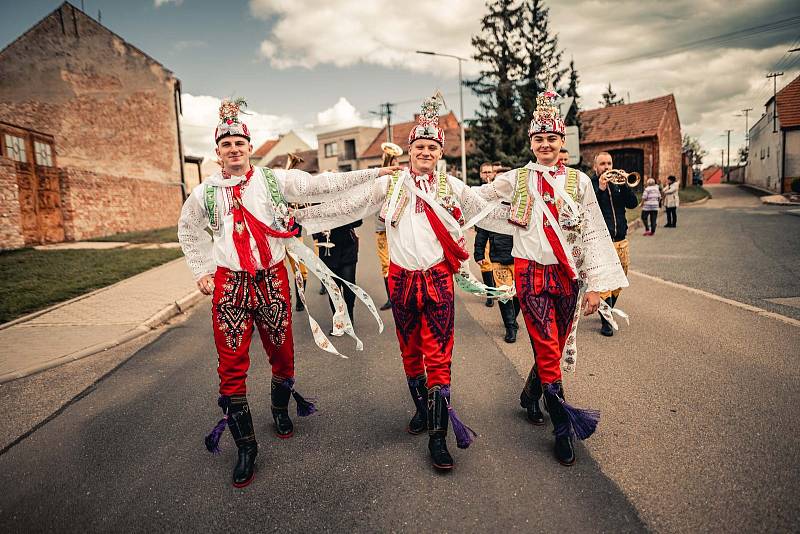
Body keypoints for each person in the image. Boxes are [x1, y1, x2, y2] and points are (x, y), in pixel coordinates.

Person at [177, 98, 396, 488]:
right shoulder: (204, 194)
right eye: (226, 145)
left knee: (282, 354)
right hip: (231, 285)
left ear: (248, 147)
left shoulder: (272, 180)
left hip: (272, 279)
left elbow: (322, 185)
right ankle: (246, 447)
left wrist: (374, 172)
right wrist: (203, 270)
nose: (233, 150)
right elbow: (188, 229)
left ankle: (280, 408)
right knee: (230, 367)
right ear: (217, 153)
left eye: (239, 143)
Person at [296, 94, 508, 471]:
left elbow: (487, 207)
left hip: (439, 281)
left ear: (440, 152)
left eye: (432, 147)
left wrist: (530, 204)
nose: (425, 152)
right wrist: (304, 216)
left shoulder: (453, 187)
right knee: (410, 352)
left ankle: (438, 438)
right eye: (419, 146)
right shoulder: (390, 186)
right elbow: (348, 204)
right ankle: (422, 411)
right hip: (402, 282)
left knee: (439, 357)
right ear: (410, 151)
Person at [474, 88, 628, 466]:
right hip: (530, 274)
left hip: (568, 276)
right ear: (532, 142)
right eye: (539, 138)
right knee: (545, 346)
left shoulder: (580, 182)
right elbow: (477, 197)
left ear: (562, 142)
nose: (546, 144)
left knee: (554, 347)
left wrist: (596, 287)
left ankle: (530, 395)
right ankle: (562, 426)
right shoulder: (516, 179)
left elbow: (594, 232)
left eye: (552, 138)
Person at [590, 152, 638, 337]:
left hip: (621, 240)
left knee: (619, 279)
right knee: (604, 282)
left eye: (609, 163)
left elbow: (633, 204)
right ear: (596, 167)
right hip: (601, 242)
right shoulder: (592, 184)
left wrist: (625, 184)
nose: (607, 167)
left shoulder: (618, 184)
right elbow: (589, 209)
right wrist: (601, 189)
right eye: (602, 163)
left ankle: (606, 309)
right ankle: (606, 320)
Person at [313, 221, 362, 335]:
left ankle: (349, 315)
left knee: (349, 283)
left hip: (347, 246)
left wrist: (343, 218)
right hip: (327, 248)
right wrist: (319, 230)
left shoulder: (348, 202)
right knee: (333, 287)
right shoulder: (317, 203)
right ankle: (338, 320)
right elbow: (312, 222)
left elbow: (358, 221)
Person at [475, 162, 498, 307]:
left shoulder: (498, 189)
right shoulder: (477, 191)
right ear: (480, 174)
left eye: (489, 172)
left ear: (494, 174)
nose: (487, 175)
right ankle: (490, 294)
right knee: (485, 263)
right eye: (484, 172)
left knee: (499, 262)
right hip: (483, 231)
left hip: (498, 231)